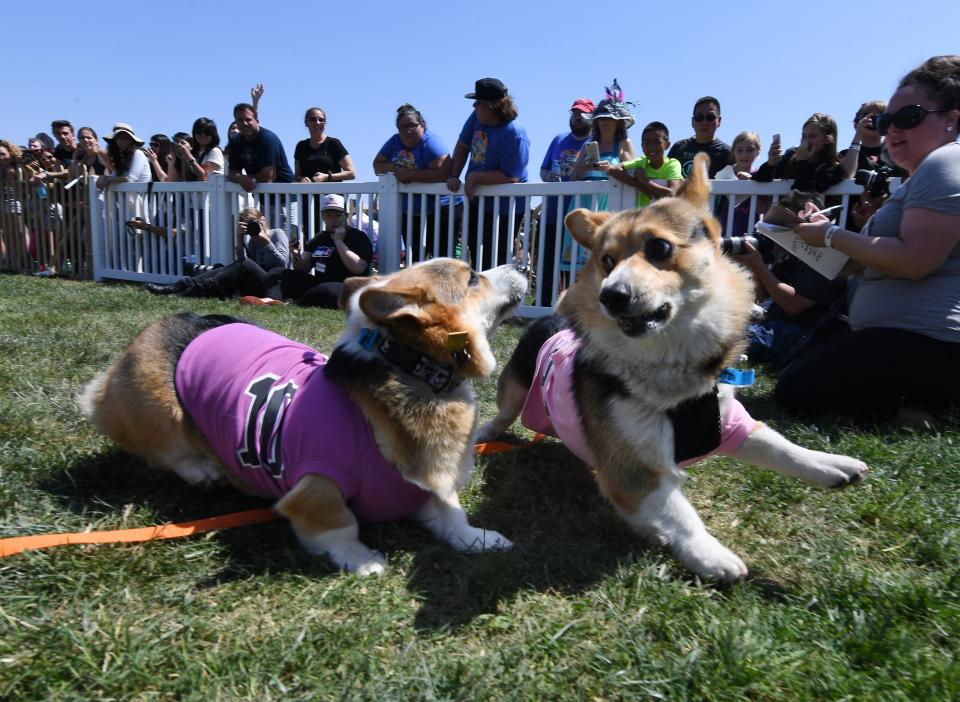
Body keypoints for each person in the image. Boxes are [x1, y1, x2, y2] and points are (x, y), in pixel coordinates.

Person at [776, 55, 960, 423]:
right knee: (795, 378)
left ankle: (929, 406)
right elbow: (881, 260)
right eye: (885, 121)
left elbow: (914, 261)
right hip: (905, 338)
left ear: (951, 120)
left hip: (928, 343)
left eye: (909, 118)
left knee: (796, 392)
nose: (892, 130)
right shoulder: (926, 172)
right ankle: (918, 403)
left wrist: (830, 234)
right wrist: (830, 241)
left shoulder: (945, 162)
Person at [447, 77, 530, 270]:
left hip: (505, 208)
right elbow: (463, 145)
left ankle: (496, 298)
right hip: (477, 200)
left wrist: (475, 177)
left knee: (497, 258)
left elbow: (511, 176)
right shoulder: (476, 117)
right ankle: (478, 295)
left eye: (478, 103)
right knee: (475, 251)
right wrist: (453, 175)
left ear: (492, 106)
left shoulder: (515, 133)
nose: (474, 107)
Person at [562, 81, 636, 275]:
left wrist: (612, 168)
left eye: (610, 118)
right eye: (602, 118)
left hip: (609, 205)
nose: (605, 121)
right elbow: (574, 175)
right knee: (577, 264)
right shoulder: (589, 144)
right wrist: (583, 168)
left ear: (618, 121)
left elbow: (632, 170)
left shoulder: (624, 143)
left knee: (605, 260)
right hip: (584, 203)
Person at [373, 103, 458, 261]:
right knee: (414, 256)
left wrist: (411, 175)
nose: (407, 130)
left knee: (442, 256)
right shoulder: (394, 141)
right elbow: (377, 165)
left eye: (412, 125)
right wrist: (396, 168)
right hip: (412, 210)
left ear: (422, 125)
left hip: (442, 207)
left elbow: (444, 172)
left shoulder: (431, 143)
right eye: (402, 127)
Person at [145, 206, 289, 298]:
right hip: (255, 285)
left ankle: (190, 291)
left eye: (253, 223)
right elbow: (242, 264)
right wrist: (239, 239)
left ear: (262, 219)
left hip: (274, 288)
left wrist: (265, 241)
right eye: (247, 225)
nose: (251, 228)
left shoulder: (277, 234)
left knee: (240, 265)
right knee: (223, 268)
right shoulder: (252, 240)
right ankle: (177, 286)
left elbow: (282, 264)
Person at [535, 97, 595, 305]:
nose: (577, 117)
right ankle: (544, 304)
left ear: (592, 117)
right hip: (552, 212)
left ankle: (574, 305)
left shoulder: (593, 144)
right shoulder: (558, 139)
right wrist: (548, 176)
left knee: (574, 264)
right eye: (574, 113)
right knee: (547, 261)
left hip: (579, 215)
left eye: (582, 113)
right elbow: (543, 170)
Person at [281, 193, 372, 308]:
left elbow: (358, 268)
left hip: (349, 289)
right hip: (320, 284)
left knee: (325, 289)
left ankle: (296, 303)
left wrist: (339, 242)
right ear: (322, 216)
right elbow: (302, 268)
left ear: (345, 215)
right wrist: (296, 256)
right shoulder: (319, 238)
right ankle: (272, 300)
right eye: (329, 215)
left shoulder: (358, 237)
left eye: (338, 215)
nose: (333, 220)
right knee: (284, 274)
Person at [838, 101, 909, 233]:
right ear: (856, 123)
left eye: (880, 116)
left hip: (890, 222)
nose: (872, 120)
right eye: (867, 116)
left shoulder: (896, 153)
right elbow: (847, 174)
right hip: (851, 224)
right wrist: (858, 135)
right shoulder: (846, 155)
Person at [753, 113, 845, 194]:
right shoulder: (791, 155)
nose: (806, 141)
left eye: (812, 136)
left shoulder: (832, 168)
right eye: (803, 136)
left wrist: (801, 161)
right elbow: (759, 180)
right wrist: (770, 164)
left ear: (827, 140)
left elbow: (802, 192)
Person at [227, 102, 294, 193]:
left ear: (257, 121)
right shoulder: (236, 141)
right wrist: (240, 178)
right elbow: (232, 172)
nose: (244, 123)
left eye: (248, 119)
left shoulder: (268, 139)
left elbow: (268, 176)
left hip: (285, 197)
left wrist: (248, 179)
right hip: (261, 198)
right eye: (240, 120)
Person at [619, 121, 684, 207]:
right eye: (647, 143)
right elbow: (613, 169)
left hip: (664, 218)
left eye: (657, 142)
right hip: (643, 217)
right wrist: (638, 185)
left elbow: (673, 194)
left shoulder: (672, 164)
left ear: (667, 145)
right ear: (642, 146)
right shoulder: (641, 162)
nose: (652, 147)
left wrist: (645, 182)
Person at [714, 131, 767, 236]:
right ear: (733, 152)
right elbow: (715, 205)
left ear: (757, 152)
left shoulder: (760, 175)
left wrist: (751, 183)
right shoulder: (725, 173)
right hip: (724, 232)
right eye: (740, 150)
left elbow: (761, 208)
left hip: (749, 233)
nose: (744, 155)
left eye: (750, 150)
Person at [668, 96, 732, 178]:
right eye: (699, 117)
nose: (704, 122)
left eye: (710, 117)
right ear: (692, 122)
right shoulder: (678, 148)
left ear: (719, 121)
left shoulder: (727, 153)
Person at [96, 123, 151, 190]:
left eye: (127, 138)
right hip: (123, 198)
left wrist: (106, 178)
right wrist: (104, 178)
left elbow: (130, 179)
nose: (124, 141)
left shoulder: (138, 153)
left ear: (132, 140)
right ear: (115, 140)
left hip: (139, 197)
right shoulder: (120, 156)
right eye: (120, 138)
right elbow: (115, 175)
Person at [173, 118, 223, 182]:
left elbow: (204, 177)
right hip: (194, 191)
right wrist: (184, 156)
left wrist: (189, 156)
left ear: (213, 135)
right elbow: (185, 178)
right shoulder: (195, 152)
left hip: (211, 191)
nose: (203, 135)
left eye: (207, 132)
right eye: (199, 132)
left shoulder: (215, 151)